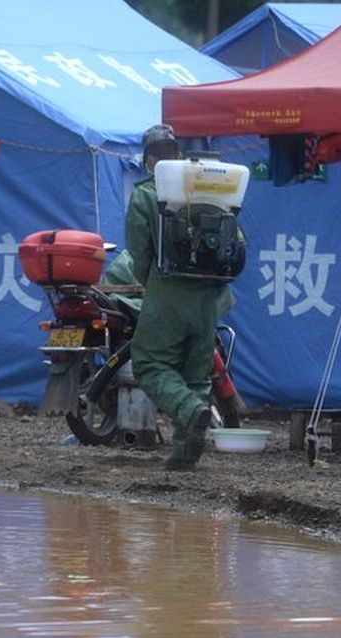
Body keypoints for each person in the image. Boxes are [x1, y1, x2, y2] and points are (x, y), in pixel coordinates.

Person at [125, 124, 227, 471]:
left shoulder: (144, 195)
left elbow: (140, 255)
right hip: (209, 297)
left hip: (168, 292)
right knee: (196, 373)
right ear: (179, 154)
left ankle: (189, 410)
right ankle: (184, 454)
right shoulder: (210, 188)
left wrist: (152, 286)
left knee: (150, 364)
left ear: (150, 160)